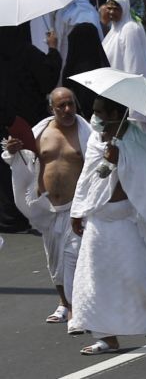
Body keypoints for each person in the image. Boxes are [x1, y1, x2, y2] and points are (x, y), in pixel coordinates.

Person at [69, 95, 146, 354]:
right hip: (98, 219)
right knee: (96, 279)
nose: (95, 117)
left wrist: (121, 158)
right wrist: (77, 210)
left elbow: (143, 181)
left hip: (129, 221)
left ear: (116, 114)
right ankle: (106, 337)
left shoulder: (139, 141)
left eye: (100, 112)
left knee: (140, 275)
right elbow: (88, 177)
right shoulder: (96, 139)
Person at [1, 88, 92, 326]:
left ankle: (76, 309)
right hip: (47, 206)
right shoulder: (41, 132)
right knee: (55, 261)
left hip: (76, 207)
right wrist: (13, 149)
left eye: (71, 104)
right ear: (52, 108)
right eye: (61, 106)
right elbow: (22, 157)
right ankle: (64, 303)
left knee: (73, 256)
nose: (67, 110)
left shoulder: (87, 134)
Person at [100, 0, 146, 83]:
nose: (111, 12)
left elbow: (134, 64)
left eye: (115, 9)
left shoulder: (129, 29)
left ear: (124, 9)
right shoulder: (115, 27)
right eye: (109, 8)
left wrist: (132, 86)